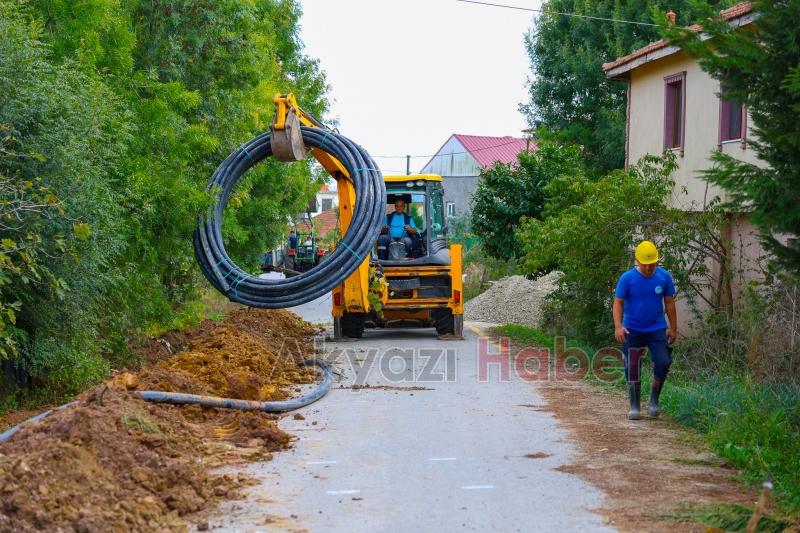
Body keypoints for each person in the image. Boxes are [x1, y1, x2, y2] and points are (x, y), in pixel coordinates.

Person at [613, 240, 678, 420]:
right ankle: (634, 405)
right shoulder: (627, 278)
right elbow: (618, 302)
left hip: (657, 328)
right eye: (645, 264)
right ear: (638, 261)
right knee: (632, 365)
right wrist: (618, 326)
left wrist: (673, 328)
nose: (649, 267)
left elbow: (670, 302)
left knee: (663, 361)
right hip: (632, 329)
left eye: (652, 264)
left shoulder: (664, 277)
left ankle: (654, 399)